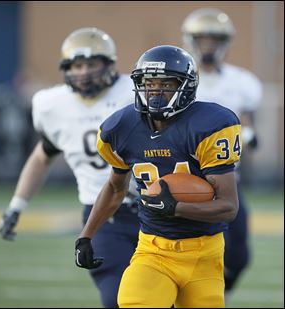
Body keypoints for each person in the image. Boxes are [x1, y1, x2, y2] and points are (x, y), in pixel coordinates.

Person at [75, 45, 242, 308]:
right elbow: (115, 187)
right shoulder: (121, 127)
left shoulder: (210, 125)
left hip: (204, 254)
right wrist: (86, 235)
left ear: (186, 87)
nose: (155, 92)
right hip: (153, 250)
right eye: (149, 83)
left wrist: (177, 207)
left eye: (165, 84)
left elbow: (229, 207)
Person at [0, 27, 140, 308]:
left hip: (154, 209)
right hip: (103, 216)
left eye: (92, 64)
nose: (85, 72)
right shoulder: (52, 104)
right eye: (78, 65)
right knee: (120, 299)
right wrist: (17, 204)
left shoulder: (133, 93)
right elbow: (42, 155)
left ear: (108, 65)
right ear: (66, 68)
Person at [181, 8, 263, 301]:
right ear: (190, 40)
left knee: (238, 255)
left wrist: (249, 135)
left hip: (227, 178)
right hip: (186, 179)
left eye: (213, 39)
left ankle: (218, 295)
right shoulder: (179, 76)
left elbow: (248, 122)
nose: (207, 45)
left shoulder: (242, 82)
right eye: (202, 39)